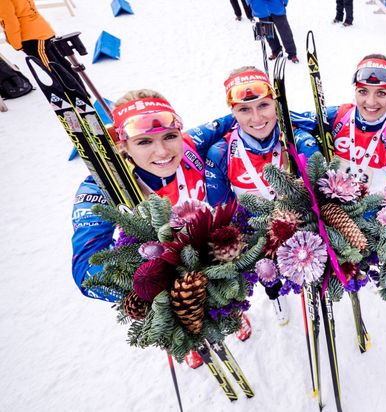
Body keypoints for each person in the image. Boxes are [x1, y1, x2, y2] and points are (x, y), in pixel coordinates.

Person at [70, 90, 251, 347]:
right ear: (123, 146)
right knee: (184, 330)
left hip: (207, 257)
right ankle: (187, 343)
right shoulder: (100, 188)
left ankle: (233, 314)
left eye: (169, 136)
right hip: (165, 282)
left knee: (228, 299)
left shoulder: (190, 146)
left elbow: (235, 117)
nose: (163, 151)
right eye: (144, 142)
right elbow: (85, 272)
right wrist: (148, 285)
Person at [190, 67, 319, 325]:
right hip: (251, 231)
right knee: (266, 270)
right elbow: (221, 210)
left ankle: (308, 289)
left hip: (296, 225)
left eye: (264, 105)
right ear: (233, 113)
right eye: (244, 109)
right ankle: (275, 295)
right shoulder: (221, 152)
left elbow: (317, 192)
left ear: (276, 104)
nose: (257, 118)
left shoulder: (297, 139)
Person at [295, 53, 386, 194]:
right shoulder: (340, 116)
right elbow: (291, 120)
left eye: (381, 93)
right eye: (363, 91)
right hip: (330, 205)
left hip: (374, 211)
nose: (371, 102)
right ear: (355, 92)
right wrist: (310, 149)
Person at [0, 0, 82, 87]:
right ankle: (81, 92)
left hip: (31, 37)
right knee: (62, 64)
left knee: (53, 69)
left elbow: (10, 22)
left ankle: (75, 95)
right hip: (43, 31)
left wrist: (16, 44)